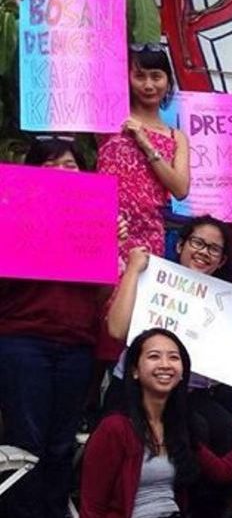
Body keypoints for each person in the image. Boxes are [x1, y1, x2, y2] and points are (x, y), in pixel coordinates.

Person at [104, 216, 232, 517]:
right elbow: (116, 329)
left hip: (192, 393)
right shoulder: (150, 277)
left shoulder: (227, 302)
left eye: (214, 249)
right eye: (198, 243)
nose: (204, 252)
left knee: (226, 431)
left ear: (222, 260)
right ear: (181, 245)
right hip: (135, 391)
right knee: (193, 431)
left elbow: (231, 366)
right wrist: (134, 271)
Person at [0, 139, 116, 518]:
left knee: (61, 444)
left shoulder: (93, 222)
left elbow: (101, 295)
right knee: (26, 444)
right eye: (50, 165)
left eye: (70, 165)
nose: (62, 172)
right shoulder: (13, 215)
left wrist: (104, 243)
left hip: (76, 344)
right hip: (23, 341)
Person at [80, 328, 232, 518]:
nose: (165, 364)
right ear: (135, 371)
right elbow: (92, 508)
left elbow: (222, 472)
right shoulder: (115, 428)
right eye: (154, 356)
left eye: (174, 358)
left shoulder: (178, 427)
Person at [97, 44, 189, 262]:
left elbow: (181, 189)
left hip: (149, 235)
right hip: (107, 227)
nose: (148, 85)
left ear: (168, 82)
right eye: (140, 76)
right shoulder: (108, 121)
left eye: (156, 77)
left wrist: (146, 143)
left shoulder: (176, 137)